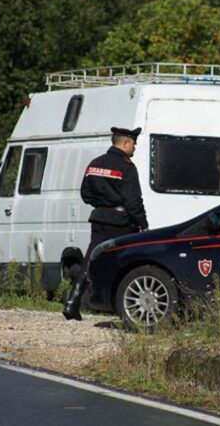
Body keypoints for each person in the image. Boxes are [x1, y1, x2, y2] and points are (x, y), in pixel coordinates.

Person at [63, 126, 149, 320]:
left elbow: (85, 194)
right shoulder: (126, 166)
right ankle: (124, 307)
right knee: (125, 262)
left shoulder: (95, 164)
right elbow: (134, 201)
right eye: (133, 144)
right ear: (125, 143)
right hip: (122, 223)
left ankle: (72, 302)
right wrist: (143, 224)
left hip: (100, 219)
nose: (135, 148)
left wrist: (102, 206)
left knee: (90, 260)